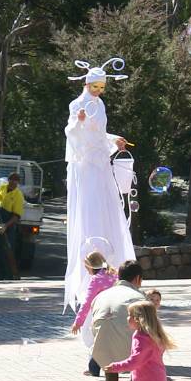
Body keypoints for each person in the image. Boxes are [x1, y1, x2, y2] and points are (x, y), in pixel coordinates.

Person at [63, 57, 135, 314]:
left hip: (101, 163)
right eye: (95, 87)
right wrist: (79, 122)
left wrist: (114, 139)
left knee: (107, 209)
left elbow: (98, 135)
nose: (99, 91)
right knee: (90, 210)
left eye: (102, 88)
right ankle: (90, 273)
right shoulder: (77, 104)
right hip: (86, 165)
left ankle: (111, 271)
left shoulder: (100, 105)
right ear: (87, 83)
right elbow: (71, 133)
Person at [91, 260, 145, 381]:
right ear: (138, 278)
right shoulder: (138, 297)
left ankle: (111, 379)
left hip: (100, 351)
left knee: (107, 333)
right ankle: (140, 380)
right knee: (149, 337)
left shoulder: (101, 296)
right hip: (129, 352)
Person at [70, 251, 118, 376]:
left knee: (96, 341)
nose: (86, 270)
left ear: (91, 266)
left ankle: (94, 368)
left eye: (86, 267)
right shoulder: (115, 274)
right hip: (118, 312)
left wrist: (78, 322)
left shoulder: (96, 279)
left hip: (102, 315)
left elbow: (87, 303)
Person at [0, 172, 24, 280]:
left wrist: (6, 226)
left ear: (18, 182)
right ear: (8, 180)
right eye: (11, 179)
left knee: (8, 249)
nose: (13, 182)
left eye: (15, 180)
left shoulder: (18, 195)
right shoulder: (1, 188)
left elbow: (16, 216)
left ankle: (10, 274)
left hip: (9, 223)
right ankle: (0, 274)